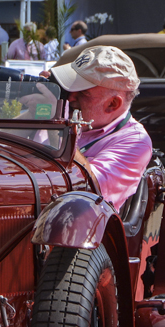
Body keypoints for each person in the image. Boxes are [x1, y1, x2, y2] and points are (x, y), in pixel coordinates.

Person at [47, 46, 153, 209]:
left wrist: (56, 126)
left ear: (113, 103)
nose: (70, 97)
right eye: (69, 87)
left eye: (82, 93)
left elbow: (89, 190)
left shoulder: (136, 142)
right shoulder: (70, 116)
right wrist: (30, 115)